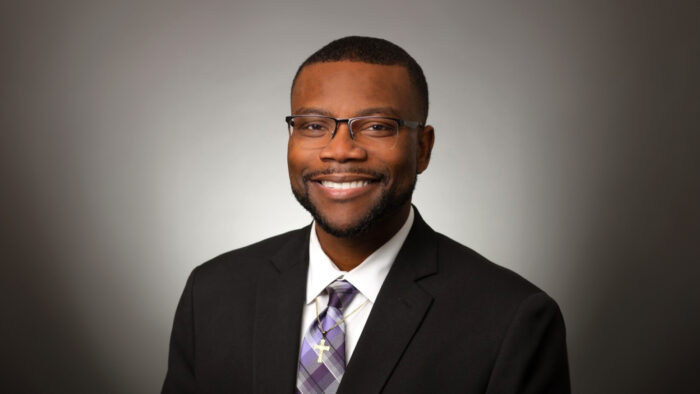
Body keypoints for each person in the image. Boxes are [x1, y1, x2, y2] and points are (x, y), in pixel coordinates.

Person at [162, 36, 570, 394]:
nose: (340, 150)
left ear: (423, 148)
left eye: (376, 126)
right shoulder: (212, 294)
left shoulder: (512, 319)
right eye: (313, 125)